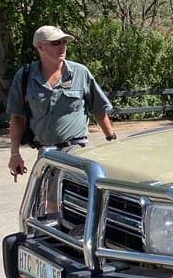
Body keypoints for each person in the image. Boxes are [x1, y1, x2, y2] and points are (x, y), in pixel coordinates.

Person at [7, 25, 117, 182]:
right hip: (46, 154)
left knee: (75, 198)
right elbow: (17, 117)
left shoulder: (81, 73)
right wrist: (15, 154)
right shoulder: (25, 76)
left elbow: (99, 109)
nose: (62, 46)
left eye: (64, 42)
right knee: (47, 202)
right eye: (55, 43)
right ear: (40, 47)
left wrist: (111, 139)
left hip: (76, 152)